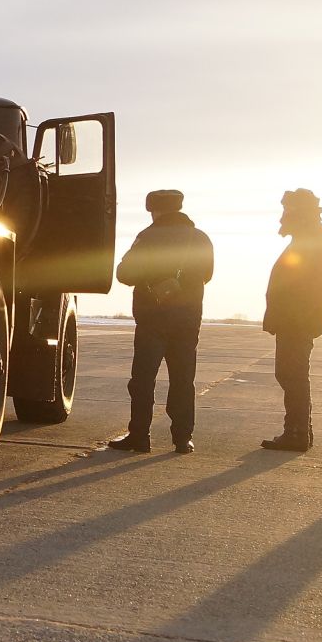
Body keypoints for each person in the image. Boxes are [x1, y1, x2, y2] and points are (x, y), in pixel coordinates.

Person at [109, 189, 215, 455]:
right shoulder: (200, 238)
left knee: (143, 379)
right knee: (183, 379)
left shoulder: (148, 237)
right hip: (188, 321)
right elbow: (207, 275)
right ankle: (182, 439)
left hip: (152, 318)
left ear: (155, 210)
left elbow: (125, 273)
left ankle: (140, 436)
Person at [260, 189, 322, 452]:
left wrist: (289, 314)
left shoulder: (312, 237)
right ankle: (300, 431)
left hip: (298, 319)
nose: (283, 215)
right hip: (297, 317)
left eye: (288, 209)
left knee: (292, 374)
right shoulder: (312, 234)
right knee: (291, 374)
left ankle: (296, 433)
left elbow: (305, 283)